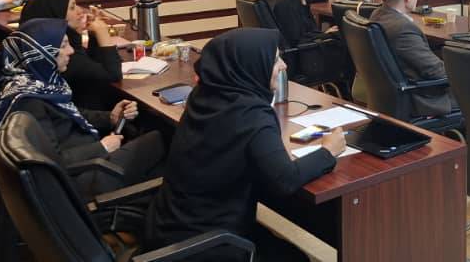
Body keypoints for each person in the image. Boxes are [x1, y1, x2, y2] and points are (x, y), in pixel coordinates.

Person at [144, 29, 343, 262]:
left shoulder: (204, 95)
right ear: (252, 66)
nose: (284, 65)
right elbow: (285, 180)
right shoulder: (252, 114)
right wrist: (328, 151)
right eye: (275, 59)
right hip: (206, 245)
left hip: (168, 228)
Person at [0, 18, 164, 199]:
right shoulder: (28, 102)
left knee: (155, 152)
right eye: (63, 46)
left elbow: (70, 114)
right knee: (163, 137)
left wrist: (110, 117)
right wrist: (102, 147)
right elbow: (48, 161)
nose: (71, 51)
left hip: (89, 160)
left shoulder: (39, 83)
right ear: (42, 53)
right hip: (81, 178)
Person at [368, 0, 457, 117]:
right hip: (422, 100)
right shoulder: (403, 29)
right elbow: (436, 71)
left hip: (388, 97)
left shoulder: (377, 15)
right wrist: (466, 72)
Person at [20, 0, 122, 110]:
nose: (80, 11)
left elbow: (91, 64)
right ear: (57, 15)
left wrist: (94, 35)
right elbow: (112, 75)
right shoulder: (58, 54)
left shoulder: (45, 43)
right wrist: (102, 31)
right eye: (72, 7)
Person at [260, 0, 353, 93]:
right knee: (348, 40)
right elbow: (298, 38)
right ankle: (345, 93)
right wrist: (325, 34)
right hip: (302, 57)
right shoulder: (285, 6)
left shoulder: (270, 1)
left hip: (286, 55)